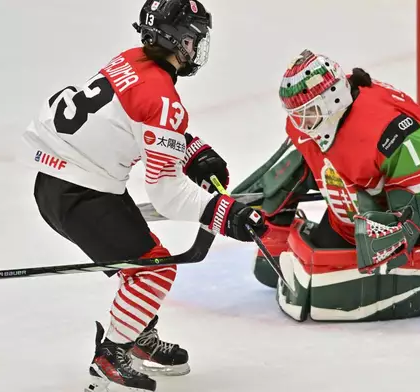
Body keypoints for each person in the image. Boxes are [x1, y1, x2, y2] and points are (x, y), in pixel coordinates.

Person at [19, 1, 266, 391]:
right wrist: (225, 214)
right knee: (154, 269)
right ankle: (112, 354)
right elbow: (167, 193)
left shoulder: (131, 58)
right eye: (194, 35)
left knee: (140, 259)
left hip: (59, 183)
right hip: (81, 194)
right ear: (178, 38)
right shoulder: (162, 97)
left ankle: (136, 334)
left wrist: (192, 151)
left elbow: (137, 122)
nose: (197, 44)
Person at [250, 49, 420, 287]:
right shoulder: (317, 122)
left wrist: (402, 229)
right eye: (297, 114)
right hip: (364, 193)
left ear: (334, 99)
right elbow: (319, 153)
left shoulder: (386, 129)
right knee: (318, 264)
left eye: (309, 112)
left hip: (418, 199)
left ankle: (394, 234)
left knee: (340, 273)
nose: (301, 123)